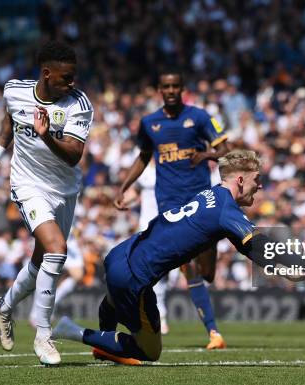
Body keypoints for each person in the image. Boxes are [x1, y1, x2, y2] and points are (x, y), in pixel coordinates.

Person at [52, 150, 305, 364]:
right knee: (150, 352)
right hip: (135, 275)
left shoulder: (210, 194)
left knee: (114, 298)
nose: (261, 185)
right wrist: (303, 265)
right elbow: (259, 245)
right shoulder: (225, 208)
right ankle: (74, 331)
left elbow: (248, 248)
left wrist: (278, 266)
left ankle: (106, 345)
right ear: (240, 180)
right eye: (257, 179)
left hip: (121, 253)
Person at [0, 41, 93, 365]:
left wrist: (47, 135)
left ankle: (4, 307)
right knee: (57, 249)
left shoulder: (79, 104)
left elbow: (75, 156)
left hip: (64, 190)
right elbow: (11, 122)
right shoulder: (14, 91)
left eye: (74, 76)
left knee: (41, 261)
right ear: (47, 74)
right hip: (27, 184)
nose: (72, 83)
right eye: (66, 77)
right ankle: (43, 334)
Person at [114, 69, 230, 348]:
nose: (171, 91)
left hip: (202, 198)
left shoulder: (200, 117)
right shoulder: (149, 123)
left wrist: (208, 154)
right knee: (187, 266)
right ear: (159, 90)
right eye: (166, 86)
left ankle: (207, 300)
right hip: (170, 203)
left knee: (207, 272)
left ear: (182, 89)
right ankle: (214, 333)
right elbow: (143, 158)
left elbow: (227, 150)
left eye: (176, 86)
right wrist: (124, 186)